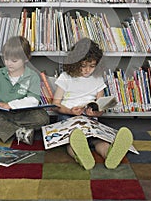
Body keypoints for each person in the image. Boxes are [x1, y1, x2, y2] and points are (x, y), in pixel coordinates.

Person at [52, 37, 133, 170]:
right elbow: (55, 104)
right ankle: (83, 157)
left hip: (90, 119)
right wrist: (70, 111)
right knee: (73, 141)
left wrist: (95, 112)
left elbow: (100, 105)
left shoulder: (98, 79)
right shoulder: (66, 77)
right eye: (83, 66)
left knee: (99, 140)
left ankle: (110, 154)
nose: (87, 70)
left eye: (92, 66)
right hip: (68, 117)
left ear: (98, 65)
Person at [0, 36, 49, 145]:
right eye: (6, 59)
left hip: (24, 114)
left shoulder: (32, 76)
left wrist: (9, 105)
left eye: (14, 60)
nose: (9, 63)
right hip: (2, 113)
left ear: (26, 59)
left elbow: (33, 100)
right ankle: (19, 132)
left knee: (43, 117)